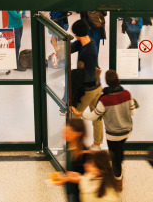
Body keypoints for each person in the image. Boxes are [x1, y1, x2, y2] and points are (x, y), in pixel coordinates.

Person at [72, 69, 136, 192]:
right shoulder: (127, 94)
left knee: (115, 157)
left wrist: (80, 113)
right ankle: (120, 168)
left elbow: (93, 116)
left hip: (113, 134)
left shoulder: (105, 100)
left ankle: (118, 179)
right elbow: (132, 112)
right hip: (127, 131)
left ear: (107, 82)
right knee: (119, 150)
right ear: (118, 79)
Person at [70, 20, 103, 149]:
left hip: (89, 89)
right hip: (97, 86)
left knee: (74, 116)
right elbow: (71, 47)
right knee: (97, 116)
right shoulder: (87, 42)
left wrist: (75, 74)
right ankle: (97, 144)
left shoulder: (89, 52)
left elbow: (88, 76)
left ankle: (75, 145)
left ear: (77, 34)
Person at [52, 150, 119, 202]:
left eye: (92, 166)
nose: (86, 165)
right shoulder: (93, 175)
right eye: (89, 162)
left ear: (101, 170)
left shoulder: (109, 197)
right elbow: (85, 180)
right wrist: (69, 178)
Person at [51, 119, 89, 202]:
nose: (64, 135)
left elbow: (88, 179)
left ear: (78, 133)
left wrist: (67, 179)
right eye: (64, 132)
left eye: (68, 133)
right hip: (70, 191)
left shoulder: (83, 153)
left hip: (79, 195)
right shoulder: (70, 147)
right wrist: (64, 177)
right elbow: (71, 171)